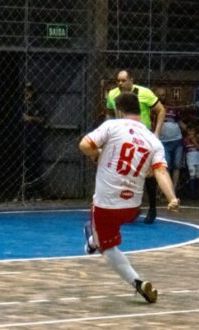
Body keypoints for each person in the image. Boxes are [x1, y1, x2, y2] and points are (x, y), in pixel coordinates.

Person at [80, 92, 180, 304]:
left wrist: (97, 153)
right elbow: (161, 172)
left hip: (106, 204)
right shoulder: (153, 140)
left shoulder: (112, 126)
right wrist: (172, 198)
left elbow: (84, 145)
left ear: (118, 110)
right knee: (97, 234)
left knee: (106, 246)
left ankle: (137, 283)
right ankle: (92, 241)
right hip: (132, 207)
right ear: (140, 111)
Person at [106, 70, 166, 224]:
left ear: (131, 80)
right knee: (124, 174)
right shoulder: (112, 94)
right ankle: (130, 208)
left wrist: (156, 132)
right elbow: (109, 114)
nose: (120, 83)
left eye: (123, 80)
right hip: (123, 139)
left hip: (142, 139)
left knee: (148, 174)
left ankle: (152, 208)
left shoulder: (144, 93)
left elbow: (161, 110)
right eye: (118, 80)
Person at [155, 88, 186, 195]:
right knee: (166, 166)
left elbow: (180, 122)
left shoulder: (172, 108)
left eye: (163, 95)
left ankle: (174, 188)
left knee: (177, 165)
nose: (161, 97)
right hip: (163, 141)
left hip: (177, 140)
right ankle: (167, 189)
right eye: (159, 95)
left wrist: (189, 129)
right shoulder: (154, 109)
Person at [19, 82, 46, 200]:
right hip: (24, 138)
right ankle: (25, 192)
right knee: (25, 166)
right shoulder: (21, 105)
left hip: (35, 138)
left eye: (29, 90)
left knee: (36, 166)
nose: (27, 93)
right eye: (26, 90)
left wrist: (30, 118)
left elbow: (43, 119)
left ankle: (37, 192)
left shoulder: (38, 105)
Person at [183, 126, 199, 199]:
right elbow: (184, 149)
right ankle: (192, 194)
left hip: (198, 157)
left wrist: (194, 141)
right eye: (189, 131)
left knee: (198, 175)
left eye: (192, 131)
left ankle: (198, 193)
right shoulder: (185, 140)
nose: (191, 133)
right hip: (190, 158)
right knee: (192, 175)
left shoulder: (198, 138)